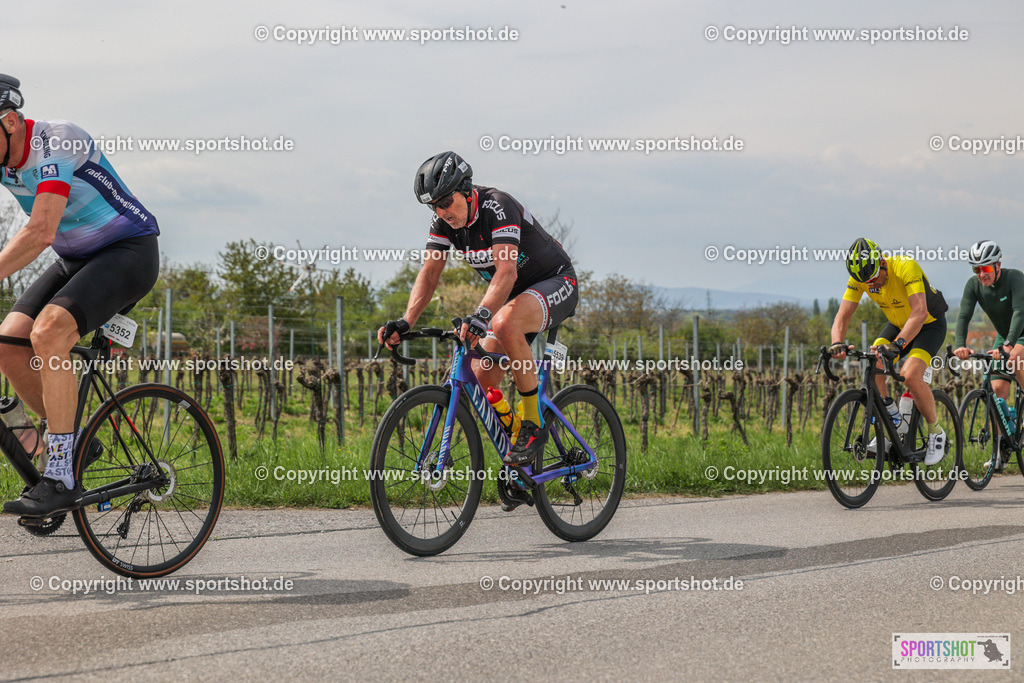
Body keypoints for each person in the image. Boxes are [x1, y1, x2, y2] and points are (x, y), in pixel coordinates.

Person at [0, 74, 160, 517]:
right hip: (75, 259)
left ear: (11, 121)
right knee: (9, 342)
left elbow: (41, 230)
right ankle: (70, 445)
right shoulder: (3, 158)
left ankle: (61, 472)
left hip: (127, 251)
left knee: (49, 333)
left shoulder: (57, 140)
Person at [378, 151, 577, 467]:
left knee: (506, 321)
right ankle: (517, 448)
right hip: (514, 295)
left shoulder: (497, 205)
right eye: (434, 206)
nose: (442, 212)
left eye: (446, 202)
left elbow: (507, 272)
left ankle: (532, 423)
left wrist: (483, 314)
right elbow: (430, 273)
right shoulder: (444, 223)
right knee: (482, 372)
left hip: (556, 281)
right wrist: (405, 321)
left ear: (466, 190)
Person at [828, 238, 949, 464]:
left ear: (882, 262)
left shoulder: (905, 267)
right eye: (866, 282)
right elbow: (843, 315)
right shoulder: (860, 278)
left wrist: (898, 345)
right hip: (897, 324)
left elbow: (920, 312)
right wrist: (837, 342)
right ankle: (893, 419)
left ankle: (936, 432)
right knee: (874, 364)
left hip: (928, 325)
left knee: (911, 376)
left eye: (874, 278)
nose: (872, 285)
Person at [953, 240, 1024, 468]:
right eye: (976, 269)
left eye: (985, 268)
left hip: (1020, 331)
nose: (981, 274)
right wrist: (960, 345)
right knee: (996, 391)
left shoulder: (1014, 278)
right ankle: (1003, 445)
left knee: (1015, 360)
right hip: (1005, 336)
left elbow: (1019, 312)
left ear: (997, 265)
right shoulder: (973, 285)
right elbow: (963, 316)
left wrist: (1010, 344)